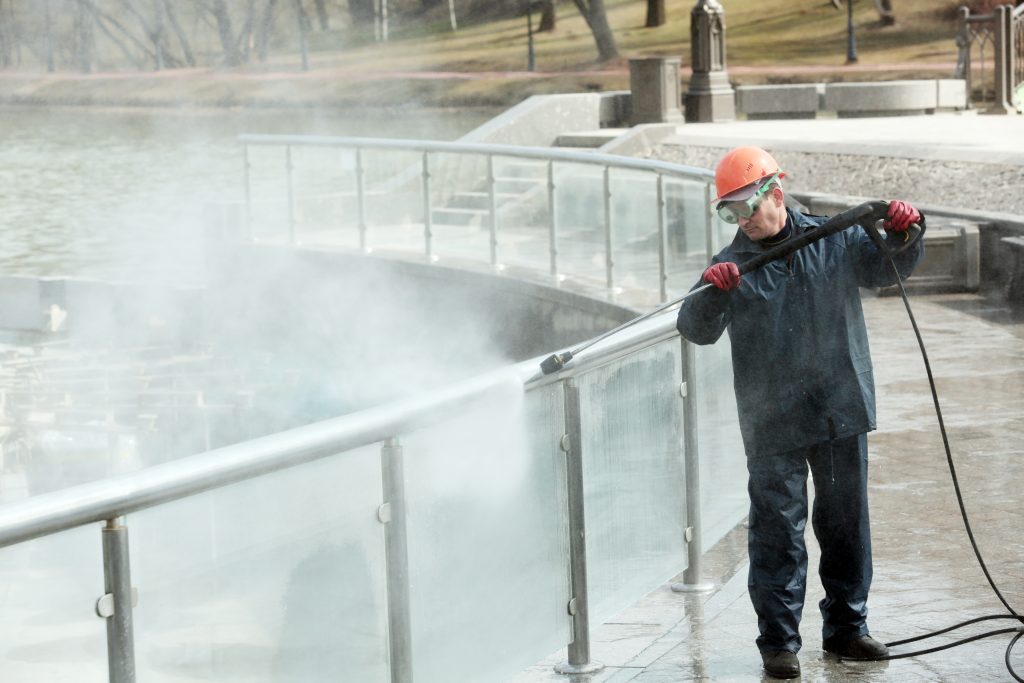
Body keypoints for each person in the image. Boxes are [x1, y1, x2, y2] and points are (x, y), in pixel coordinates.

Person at [675, 146, 924, 679]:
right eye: (729, 212)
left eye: (746, 206)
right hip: (773, 420)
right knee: (777, 533)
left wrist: (907, 231)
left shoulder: (836, 239)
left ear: (776, 194)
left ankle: (847, 630)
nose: (742, 220)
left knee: (845, 525)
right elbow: (695, 328)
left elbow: (887, 268)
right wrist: (713, 295)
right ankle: (779, 644)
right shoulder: (732, 265)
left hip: (840, 406)